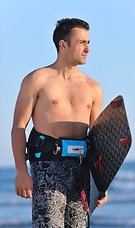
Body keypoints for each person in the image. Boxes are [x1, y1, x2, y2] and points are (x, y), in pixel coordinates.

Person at [11, 18, 108, 228]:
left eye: (89, 42)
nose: (88, 49)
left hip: (81, 170)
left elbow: (98, 139)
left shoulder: (93, 88)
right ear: (63, 45)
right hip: (48, 166)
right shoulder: (37, 79)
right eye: (82, 42)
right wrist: (21, 171)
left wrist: (101, 184)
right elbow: (19, 127)